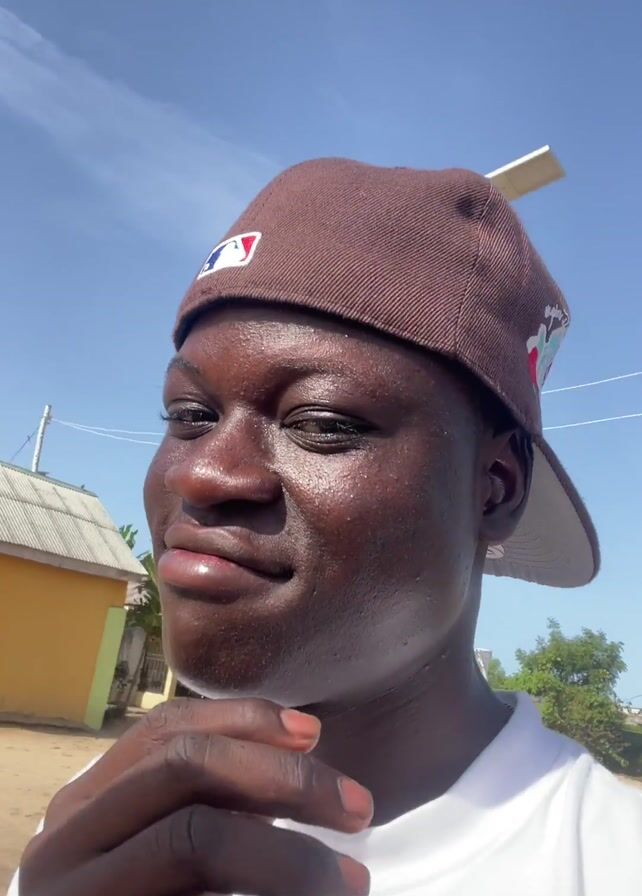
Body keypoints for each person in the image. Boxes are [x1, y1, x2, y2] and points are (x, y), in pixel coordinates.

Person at [14, 159, 642, 896]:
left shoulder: (607, 864)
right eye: (189, 415)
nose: (202, 474)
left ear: (495, 488)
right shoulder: (108, 820)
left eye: (320, 422)